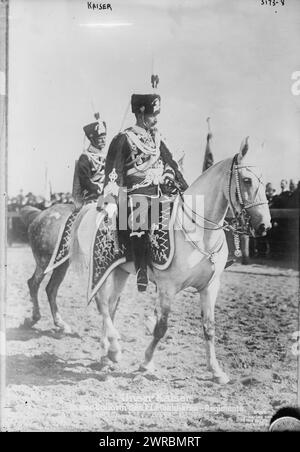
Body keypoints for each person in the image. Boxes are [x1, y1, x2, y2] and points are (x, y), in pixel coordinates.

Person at [103, 93, 188, 292]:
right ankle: (141, 270)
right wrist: (114, 198)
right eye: (152, 115)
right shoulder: (124, 138)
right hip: (136, 190)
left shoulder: (156, 137)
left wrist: (172, 177)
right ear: (141, 114)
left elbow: (170, 162)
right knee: (139, 218)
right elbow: (114, 171)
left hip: (159, 189)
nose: (155, 119)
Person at [77, 117, 107, 204]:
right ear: (92, 139)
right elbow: (85, 181)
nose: (103, 140)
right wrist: (99, 188)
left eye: (104, 137)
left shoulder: (107, 157)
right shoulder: (85, 157)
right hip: (91, 197)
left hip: (107, 195)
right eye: (100, 138)